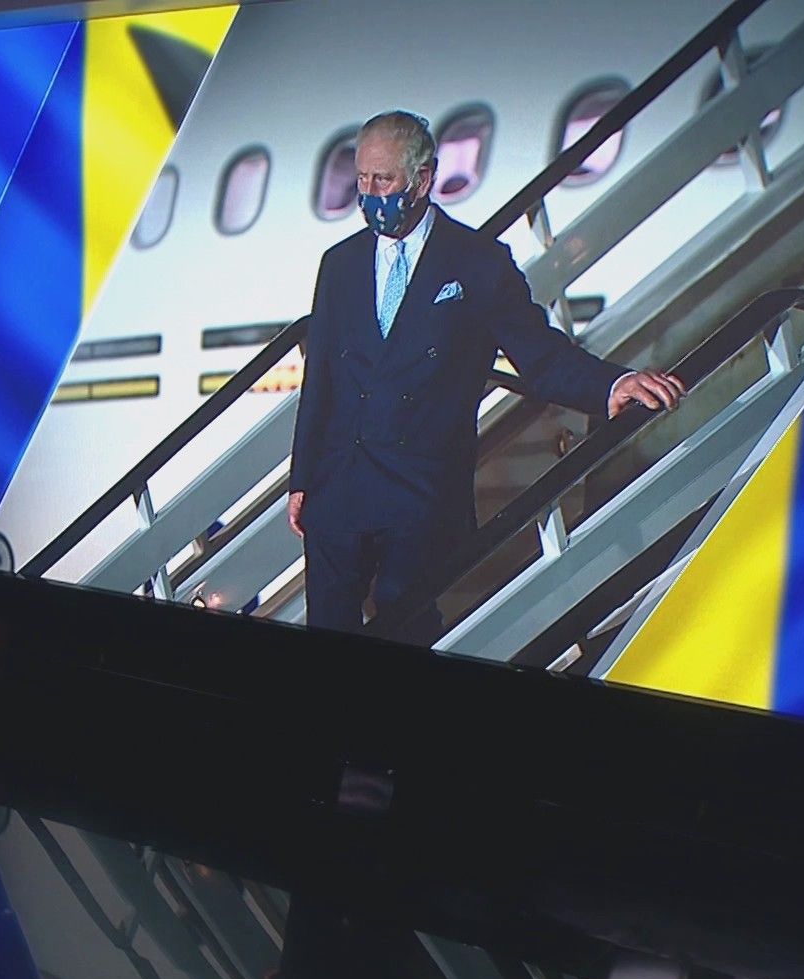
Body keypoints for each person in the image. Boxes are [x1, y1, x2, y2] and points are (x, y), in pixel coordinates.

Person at [286, 109, 685, 644]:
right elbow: (320, 381)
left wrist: (611, 385)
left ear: (422, 179)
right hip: (338, 488)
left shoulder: (477, 262)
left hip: (419, 493)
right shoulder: (339, 263)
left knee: (409, 635)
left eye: (383, 179)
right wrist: (303, 478)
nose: (370, 193)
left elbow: (539, 355)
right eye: (362, 179)